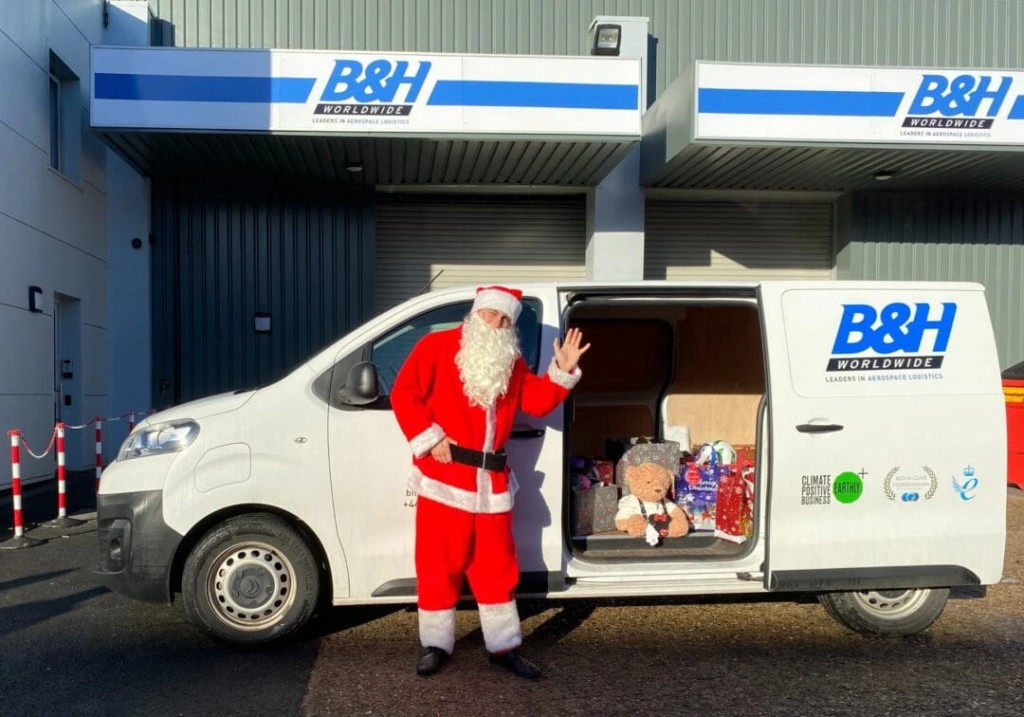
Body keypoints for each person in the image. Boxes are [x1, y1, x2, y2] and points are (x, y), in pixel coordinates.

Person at [390, 285, 589, 679]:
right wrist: (431, 438)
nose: (496, 324)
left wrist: (562, 370)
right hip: (444, 479)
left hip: (492, 485)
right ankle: (435, 643)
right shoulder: (435, 347)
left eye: (504, 319)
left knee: (496, 567)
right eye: (490, 315)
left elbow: (536, 401)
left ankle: (504, 645)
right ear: (475, 313)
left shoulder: (510, 363)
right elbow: (404, 394)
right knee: (438, 563)